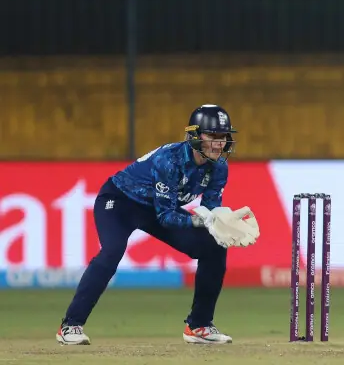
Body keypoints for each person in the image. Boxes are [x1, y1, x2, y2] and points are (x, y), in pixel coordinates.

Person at [57, 104, 253, 346]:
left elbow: (211, 209)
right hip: (120, 201)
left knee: (215, 245)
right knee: (111, 252)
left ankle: (199, 326)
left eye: (223, 137)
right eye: (212, 136)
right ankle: (71, 325)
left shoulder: (219, 167)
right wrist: (201, 220)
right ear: (194, 136)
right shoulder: (169, 160)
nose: (218, 143)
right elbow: (166, 217)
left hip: (157, 208)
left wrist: (222, 225)